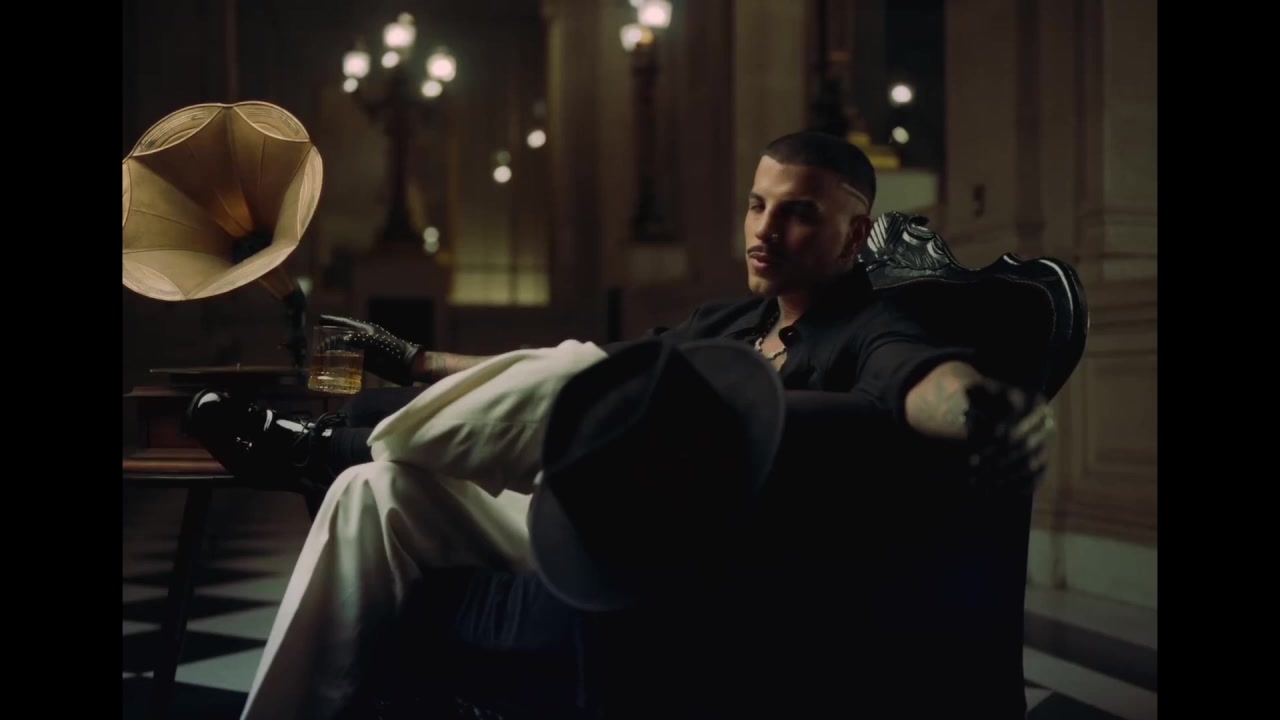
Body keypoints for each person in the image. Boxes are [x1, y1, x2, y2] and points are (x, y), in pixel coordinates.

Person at [184, 131, 1053, 719]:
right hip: (592, 517)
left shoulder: (871, 326)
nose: (764, 230)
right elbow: (570, 368)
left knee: (585, 376)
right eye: (756, 205)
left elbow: (925, 382)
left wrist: (988, 412)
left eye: (796, 213)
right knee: (374, 492)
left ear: (854, 233)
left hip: (685, 554)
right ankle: (329, 471)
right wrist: (413, 358)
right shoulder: (727, 321)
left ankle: (317, 442)